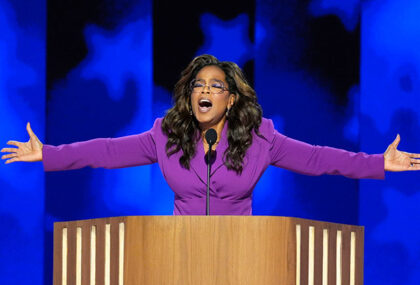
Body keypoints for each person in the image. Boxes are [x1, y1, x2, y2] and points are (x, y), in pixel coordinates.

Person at [2, 54, 420, 215]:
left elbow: (317, 158)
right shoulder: (165, 135)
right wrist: (50, 154)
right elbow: (108, 151)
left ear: (232, 100)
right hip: (181, 254)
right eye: (198, 84)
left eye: (216, 85)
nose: (204, 90)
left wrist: (378, 163)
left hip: (241, 256)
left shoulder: (262, 138)